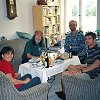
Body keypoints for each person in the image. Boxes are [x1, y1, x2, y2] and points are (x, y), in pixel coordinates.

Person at [56, 32, 100, 100]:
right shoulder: (91, 48)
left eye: (89, 39)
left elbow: (97, 64)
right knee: (70, 66)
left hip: (92, 75)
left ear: (94, 40)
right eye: (86, 39)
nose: (87, 40)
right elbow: (92, 62)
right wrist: (83, 65)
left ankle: (65, 94)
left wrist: (82, 70)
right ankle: (69, 84)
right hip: (89, 70)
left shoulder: (97, 50)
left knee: (64, 74)